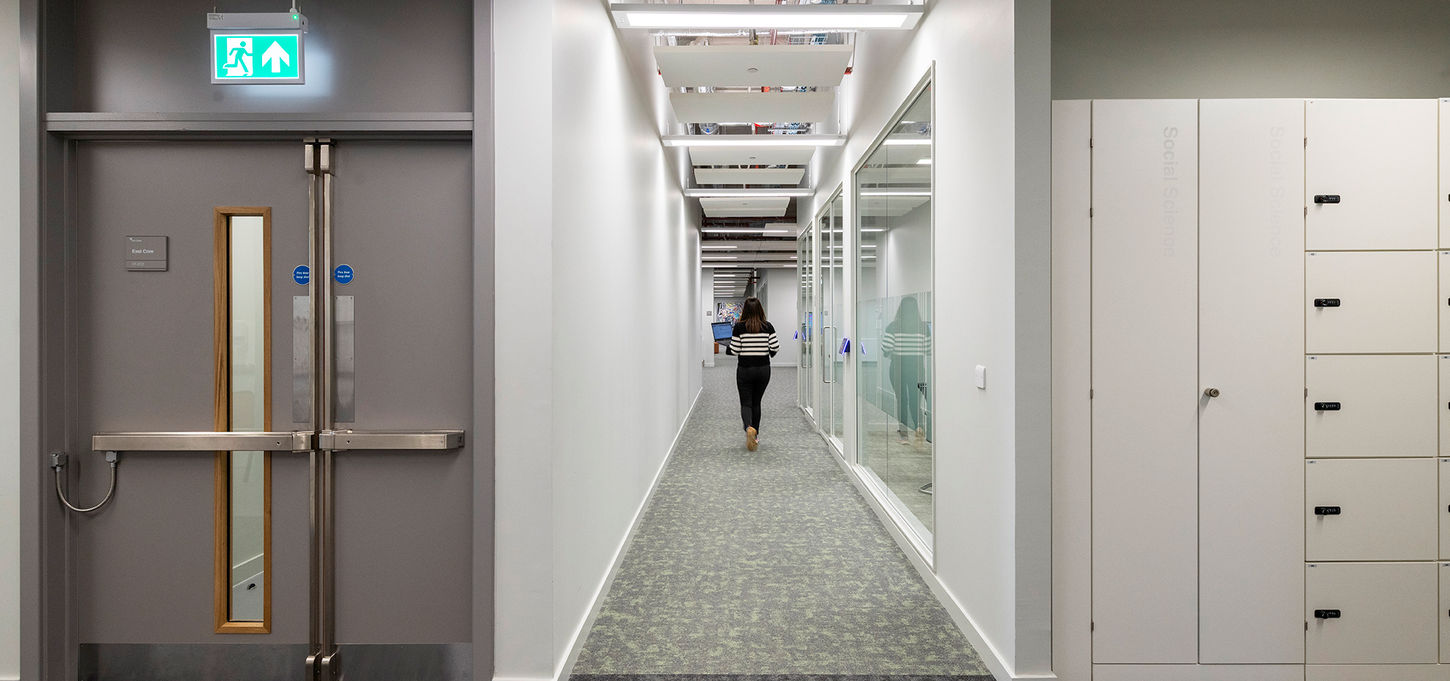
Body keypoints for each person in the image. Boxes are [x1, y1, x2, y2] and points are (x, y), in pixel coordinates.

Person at [726, 297, 779, 451]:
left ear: (745, 311)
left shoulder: (739, 327)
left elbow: (735, 349)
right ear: (760, 310)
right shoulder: (768, 326)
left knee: (746, 403)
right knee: (756, 402)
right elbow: (775, 347)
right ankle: (755, 436)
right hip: (763, 370)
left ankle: (749, 427)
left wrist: (728, 349)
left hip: (745, 369)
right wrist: (766, 350)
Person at [883, 296, 930, 444]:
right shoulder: (923, 327)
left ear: (900, 309)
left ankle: (903, 435)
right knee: (916, 401)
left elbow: (886, 348)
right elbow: (928, 350)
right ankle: (918, 429)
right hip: (917, 369)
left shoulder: (893, 326)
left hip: (898, 368)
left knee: (902, 400)